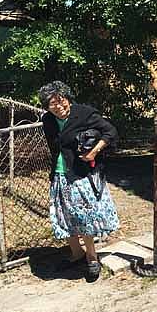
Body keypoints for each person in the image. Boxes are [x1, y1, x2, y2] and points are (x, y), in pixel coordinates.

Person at [40, 81, 120, 280]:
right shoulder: (48, 121)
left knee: (84, 218)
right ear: (47, 107)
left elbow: (110, 132)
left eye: (62, 101)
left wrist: (94, 151)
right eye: (53, 104)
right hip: (60, 175)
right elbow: (55, 148)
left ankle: (92, 258)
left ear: (67, 98)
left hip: (81, 174)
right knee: (63, 216)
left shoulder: (84, 113)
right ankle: (77, 254)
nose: (59, 106)